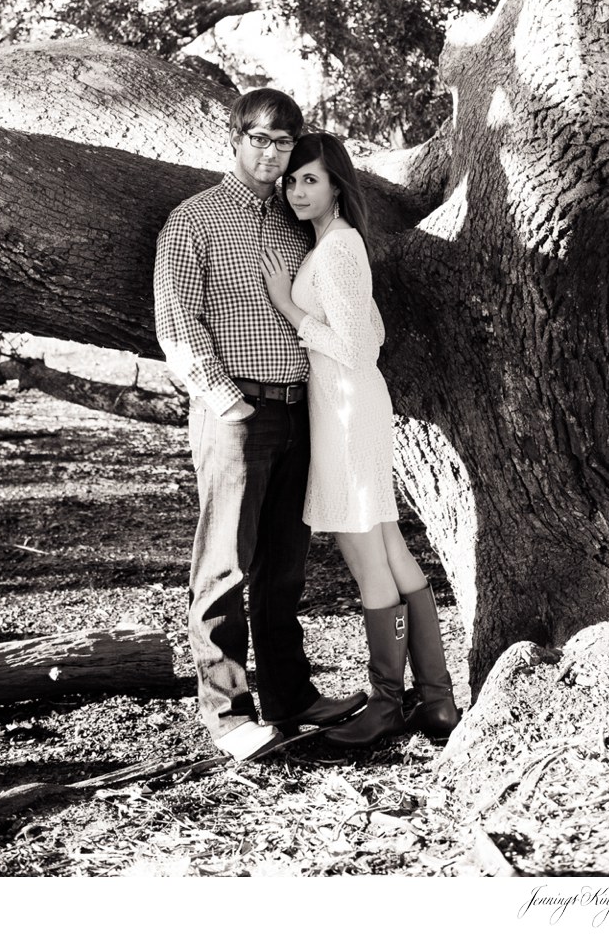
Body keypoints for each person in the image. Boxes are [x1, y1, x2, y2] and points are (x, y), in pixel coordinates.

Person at [153, 91, 367, 762]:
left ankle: (291, 697)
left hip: (300, 409)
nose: (272, 153)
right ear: (236, 138)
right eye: (261, 139)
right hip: (236, 414)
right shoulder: (195, 219)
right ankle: (228, 711)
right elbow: (177, 320)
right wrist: (228, 401)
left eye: (284, 142)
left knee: (282, 570)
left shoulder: (292, 221)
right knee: (225, 566)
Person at [260, 132, 461, 749]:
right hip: (355, 406)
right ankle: (437, 700)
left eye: (310, 180)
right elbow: (367, 325)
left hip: (348, 410)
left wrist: (287, 309)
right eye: (292, 180)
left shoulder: (340, 248)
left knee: (365, 554)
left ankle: (384, 706)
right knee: (392, 549)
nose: (297, 190)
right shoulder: (335, 245)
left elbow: (358, 345)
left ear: (337, 186)